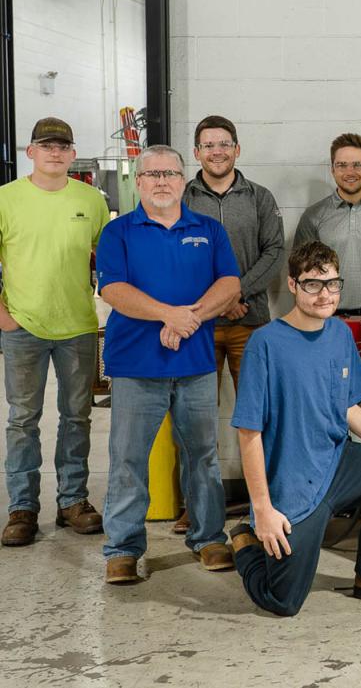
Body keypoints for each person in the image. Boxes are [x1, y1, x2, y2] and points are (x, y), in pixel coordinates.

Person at [229, 240, 361, 616]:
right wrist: (263, 510)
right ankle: (245, 543)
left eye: (332, 284)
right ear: (293, 285)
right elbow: (249, 433)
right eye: (313, 284)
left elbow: (348, 408)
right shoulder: (265, 344)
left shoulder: (339, 334)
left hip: (338, 463)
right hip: (293, 481)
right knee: (283, 602)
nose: (325, 295)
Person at [95, 145, 242, 584]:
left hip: (195, 364)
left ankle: (208, 537)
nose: (162, 181)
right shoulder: (118, 232)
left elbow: (230, 284)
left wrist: (187, 318)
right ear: (139, 182)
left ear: (183, 181)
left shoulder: (209, 230)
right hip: (136, 365)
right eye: (153, 174)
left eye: (171, 174)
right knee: (128, 458)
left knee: (203, 455)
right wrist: (167, 315)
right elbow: (113, 290)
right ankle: (123, 549)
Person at [0, 118, 110, 547]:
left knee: (77, 416)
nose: (55, 152)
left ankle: (72, 501)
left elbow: (110, 257)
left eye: (63, 146)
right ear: (30, 152)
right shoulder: (6, 198)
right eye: (46, 146)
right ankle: (22, 508)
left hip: (77, 326)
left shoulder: (91, 200)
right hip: (22, 326)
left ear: (72, 154)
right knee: (22, 419)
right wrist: (3, 316)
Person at [177, 114, 285, 534]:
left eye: (224, 143)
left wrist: (237, 294)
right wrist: (214, 304)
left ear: (237, 149)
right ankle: (197, 507)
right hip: (197, 327)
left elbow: (274, 252)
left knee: (261, 416)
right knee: (195, 421)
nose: (217, 151)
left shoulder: (259, 197)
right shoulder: (182, 198)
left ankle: (271, 503)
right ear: (196, 152)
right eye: (208, 145)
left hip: (249, 323)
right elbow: (176, 259)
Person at [295, 133, 361, 312]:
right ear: (332, 169)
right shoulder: (313, 216)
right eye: (342, 165)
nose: (350, 172)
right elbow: (301, 274)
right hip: (329, 316)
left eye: (358, 165)